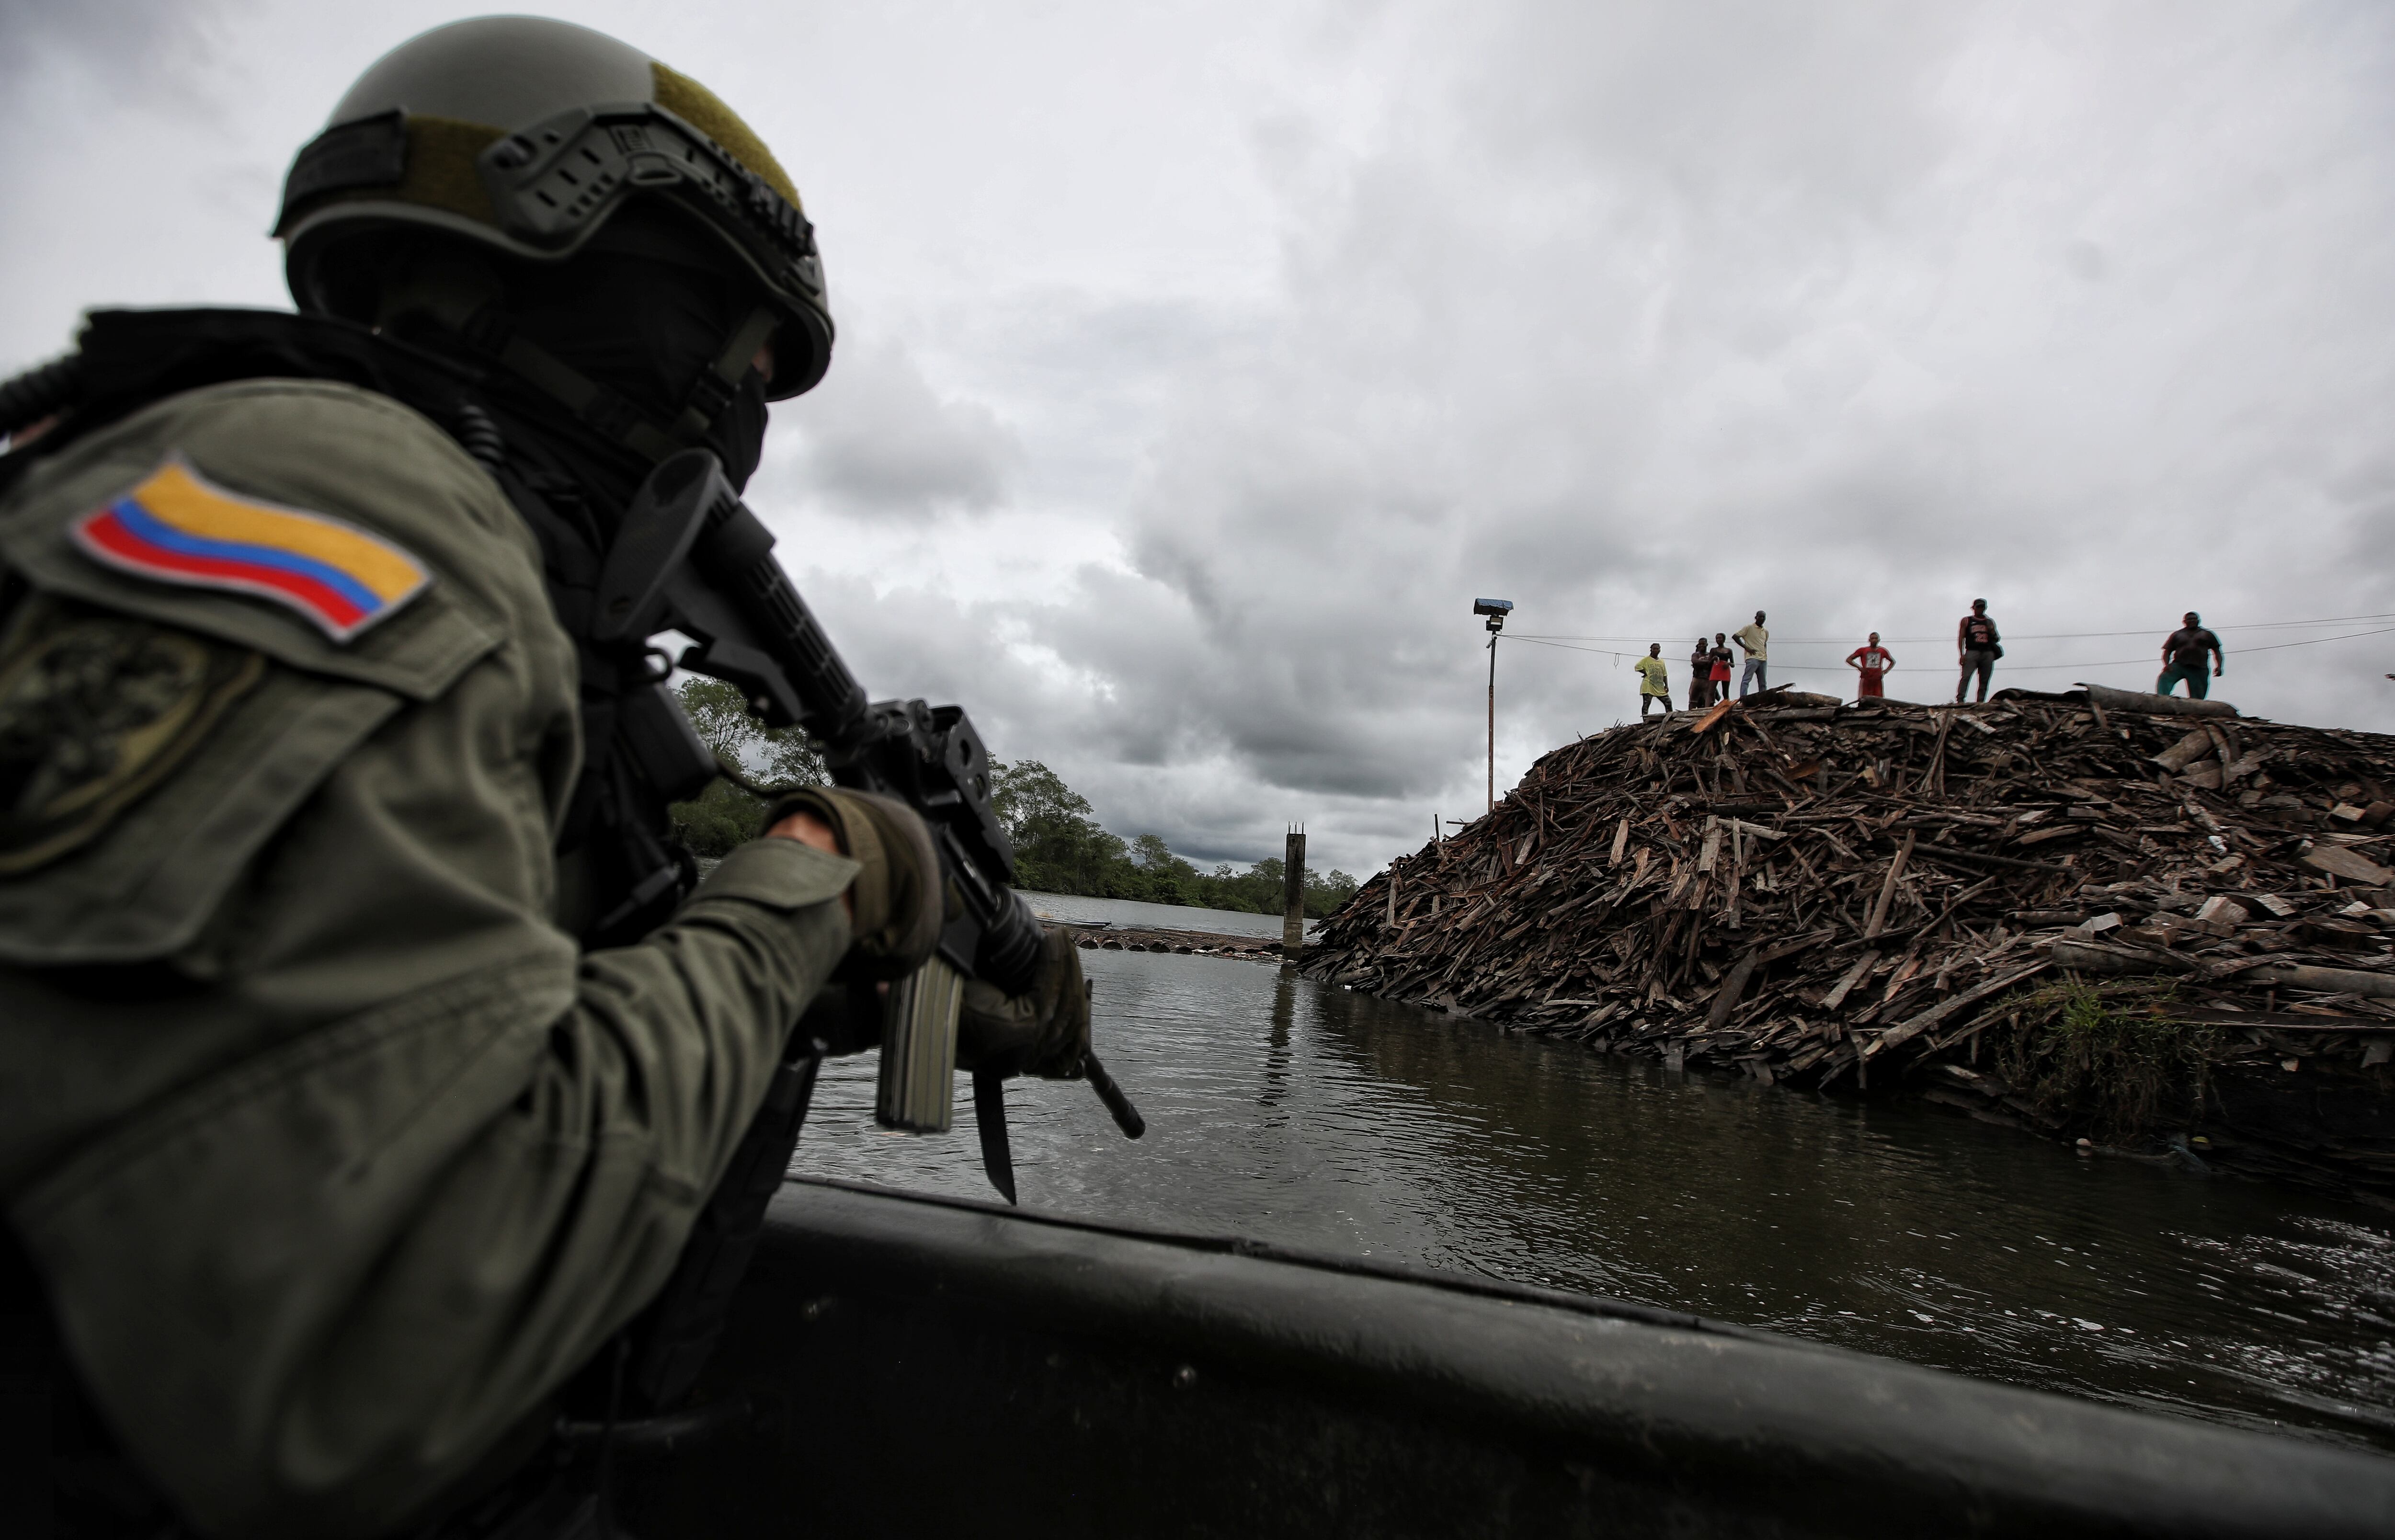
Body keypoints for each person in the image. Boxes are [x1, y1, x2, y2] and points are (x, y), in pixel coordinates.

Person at [0, 18, 1091, 1537]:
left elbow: (487, 1004)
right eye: (746, 357)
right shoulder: (349, 507)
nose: (746, 423)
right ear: (611, 268)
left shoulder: (376, 524)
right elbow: (338, 1335)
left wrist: (843, 976)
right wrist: (820, 866)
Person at [2157, 611, 2224, 698]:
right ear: (2184, 622)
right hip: (2179, 665)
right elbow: (2167, 652)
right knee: (2165, 678)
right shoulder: (2177, 635)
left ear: (2198, 621)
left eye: (2194, 619)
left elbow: (2217, 652)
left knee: (2198, 697)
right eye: (2189, 619)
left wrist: (2219, 666)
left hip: (2199, 668)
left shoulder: (2207, 634)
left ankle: (2195, 710)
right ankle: (2163, 700)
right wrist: (2166, 665)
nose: (2192, 621)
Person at [1956, 599, 2001, 704]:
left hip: (1987, 652)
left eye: (1982, 607)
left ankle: (1980, 702)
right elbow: (1961, 638)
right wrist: (1962, 654)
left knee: (1984, 680)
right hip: (1972, 652)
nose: (1980, 609)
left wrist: (1992, 631)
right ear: (1974, 608)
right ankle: (1960, 700)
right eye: (1978, 607)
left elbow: (1996, 638)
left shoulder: (1989, 622)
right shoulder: (1967, 621)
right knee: (1966, 677)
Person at [1847, 632, 1894, 700]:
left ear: (1879, 640)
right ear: (1869, 640)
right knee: (1864, 698)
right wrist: (1860, 668)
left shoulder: (1882, 651)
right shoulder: (1863, 651)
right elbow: (1849, 660)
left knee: (1878, 698)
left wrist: (1885, 671)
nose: (1874, 640)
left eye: (1876, 639)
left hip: (1877, 678)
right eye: (1873, 639)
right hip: (1866, 677)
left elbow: (1892, 661)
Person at [1733, 610, 1769, 698]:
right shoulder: (1749, 628)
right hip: (1752, 658)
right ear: (1756, 618)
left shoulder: (1766, 632)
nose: (1762, 619)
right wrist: (1747, 648)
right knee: (1747, 679)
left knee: (1763, 683)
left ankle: (1763, 700)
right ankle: (1743, 698)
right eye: (1760, 617)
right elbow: (1736, 636)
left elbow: (1764, 643)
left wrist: (1765, 653)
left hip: (1763, 659)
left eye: (1763, 617)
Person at [1635, 642, 1672, 717]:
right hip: (1649, 685)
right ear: (1651, 650)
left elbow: (1665, 674)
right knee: (1647, 704)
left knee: (1668, 702)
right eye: (1654, 649)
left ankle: (1670, 718)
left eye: (1657, 649)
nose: (1656, 650)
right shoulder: (1646, 659)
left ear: (1660, 650)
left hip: (1659, 686)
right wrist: (1645, 672)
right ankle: (1645, 720)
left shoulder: (1662, 662)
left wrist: (1667, 685)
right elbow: (1637, 666)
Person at [1688, 637, 1715, 708]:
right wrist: (1709, 662)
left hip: (1708, 679)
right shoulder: (1696, 654)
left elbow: (1714, 664)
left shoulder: (1710, 655)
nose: (1701, 646)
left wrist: (1706, 663)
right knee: (1693, 700)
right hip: (1697, 679)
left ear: (1707, 644)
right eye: (1700, 644)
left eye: (1703, 644)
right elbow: (1695, 661)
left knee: (1710, 701)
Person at [1710, 633, 1735, 703]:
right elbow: (1709, 662)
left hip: (1725, 669)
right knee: (1711, 691)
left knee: (1725, 691)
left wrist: (1729, 664)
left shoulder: (1729, 650)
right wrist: (1713, 659)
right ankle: (1710, 705)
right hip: (1716, 669)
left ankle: (1727, 705)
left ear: (1724, 639)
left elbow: (1733, 664)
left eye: (1720, 638)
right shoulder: (1713, 650)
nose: (1718, 640)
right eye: (1717, 638)